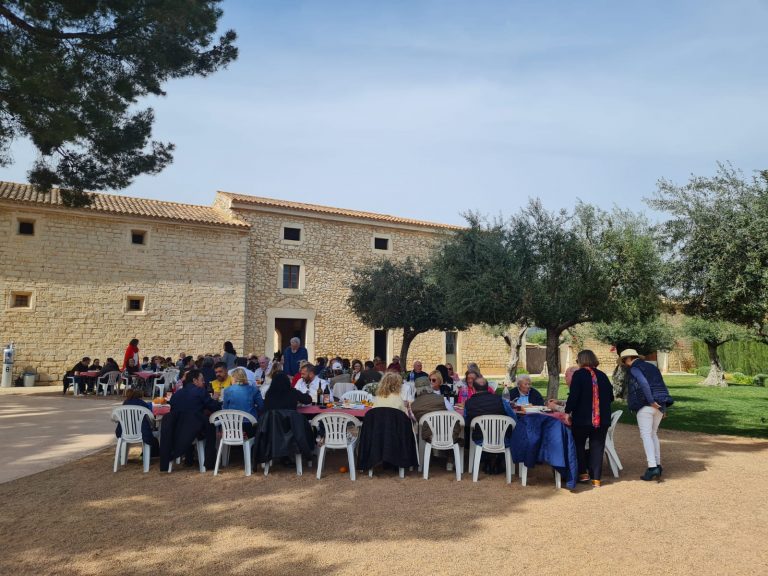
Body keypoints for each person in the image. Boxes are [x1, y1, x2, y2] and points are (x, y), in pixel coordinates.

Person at [620, 349, 673, 481]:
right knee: (653, 434)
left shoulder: (635, 368)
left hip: (646, 405)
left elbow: (643, 383)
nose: (624, 364)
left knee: (646, 435)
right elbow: (661, 385)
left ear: (628, 358)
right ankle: (658, 465)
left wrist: (651, 401)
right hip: (660, 403)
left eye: (623, 361)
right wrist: (663, 407)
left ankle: (652, 467)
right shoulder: (652, 367)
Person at [564, 350, 614, 487]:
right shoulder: (603, 375)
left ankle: (583, 473)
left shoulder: (579, 375)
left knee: (579, 444)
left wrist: (567, 412)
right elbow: (611, 397)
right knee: (597, 446)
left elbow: (573, 397)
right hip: (601, 419)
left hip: (582, 418)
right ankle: (596, 478)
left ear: (581, 360)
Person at [115, 389, 159, 454]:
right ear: (140, 397)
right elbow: (150, 419)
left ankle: (122, 458)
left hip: (124, 432)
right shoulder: (143, 404)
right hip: (142, 433)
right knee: (155, 435)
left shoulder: (125, 403)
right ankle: (152, 454)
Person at [222, 368, 264, 436]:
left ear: (233, 378)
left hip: (233, 425)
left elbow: (225, 409)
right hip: (250, 423)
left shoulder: (227, 390)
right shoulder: (253, 389)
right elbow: (261, 406)